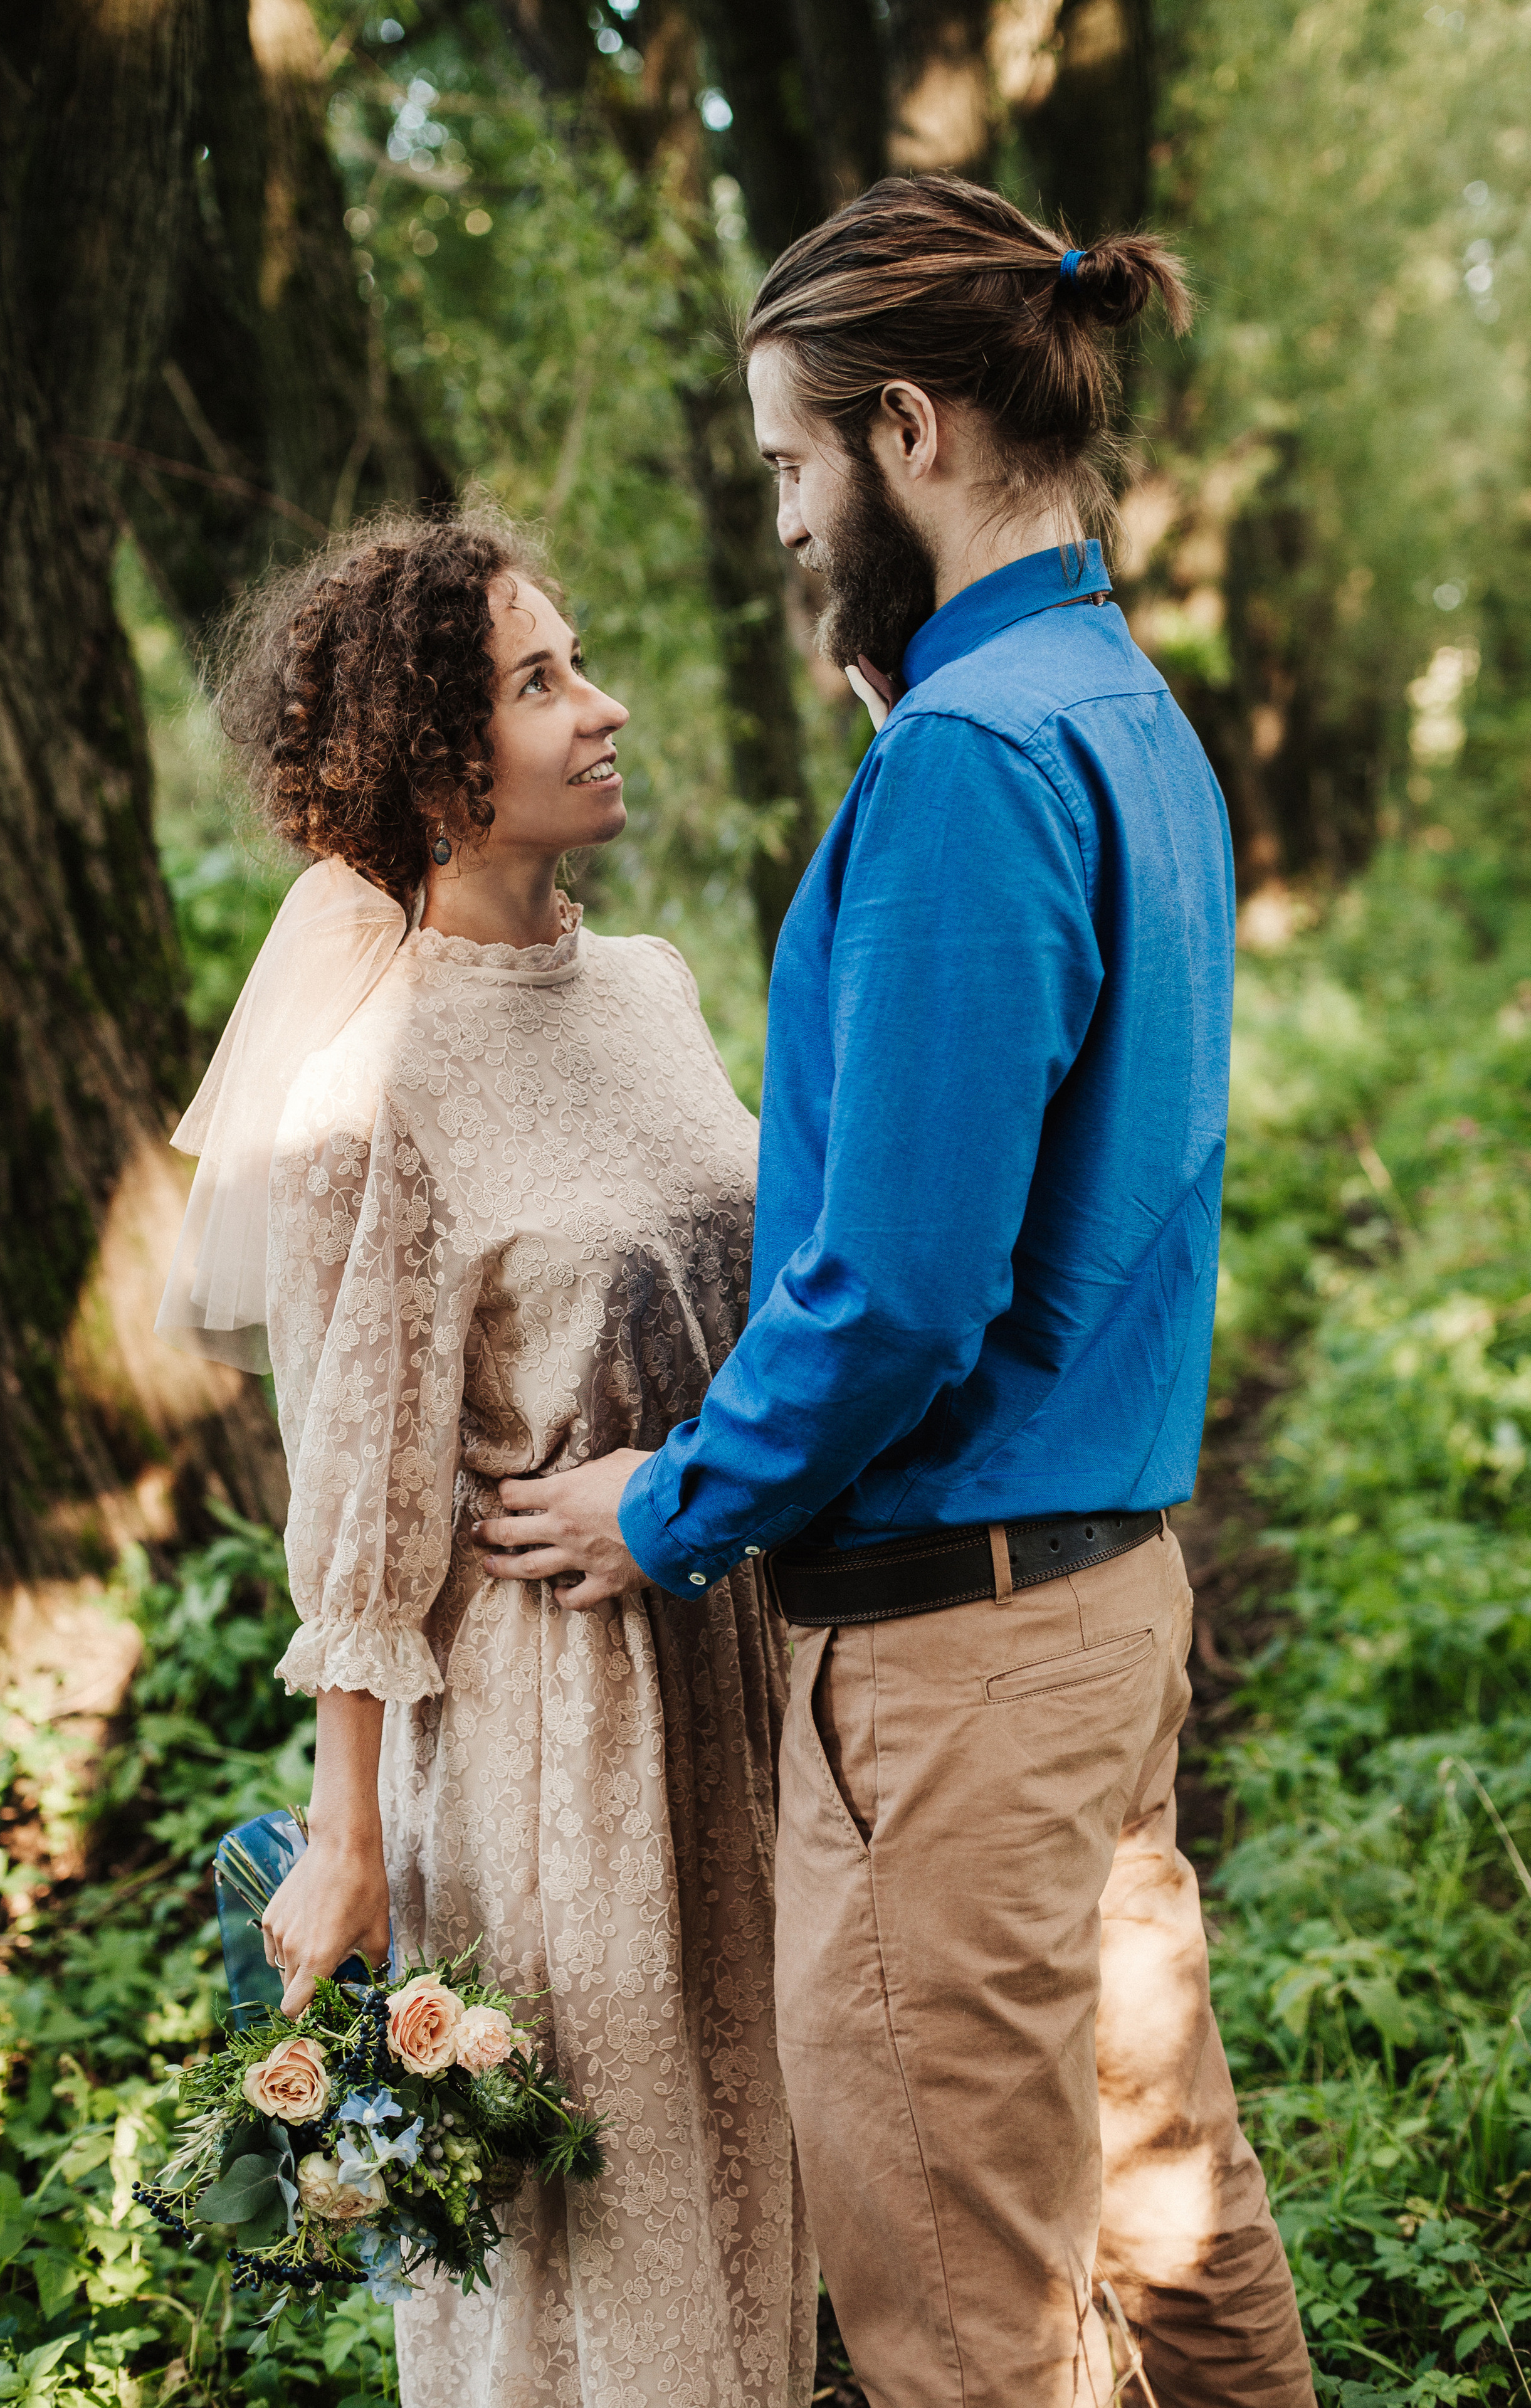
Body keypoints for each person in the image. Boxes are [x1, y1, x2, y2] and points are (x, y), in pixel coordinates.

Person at [471, 179, 1317, 2405]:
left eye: (786, 465)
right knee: (1167, 2233)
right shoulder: (1109, 706)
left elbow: (905, 1291)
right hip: (1103, 1611)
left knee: (963, 2327)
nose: (776, 522)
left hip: (959, 1669)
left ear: (908, 434)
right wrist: (906, 723)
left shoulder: (968, 769)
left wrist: (667, 1504)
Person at [156, 507, 817, 2408]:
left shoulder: (659, 989)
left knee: (760, 2161)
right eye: (542, 686)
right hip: (551, 1730)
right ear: (441, 766)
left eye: (580, 662)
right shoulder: (377, 1083)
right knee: (603, 2233)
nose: (602, 712)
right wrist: (349, 1832)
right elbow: (361, 1504)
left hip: (731, 1649)